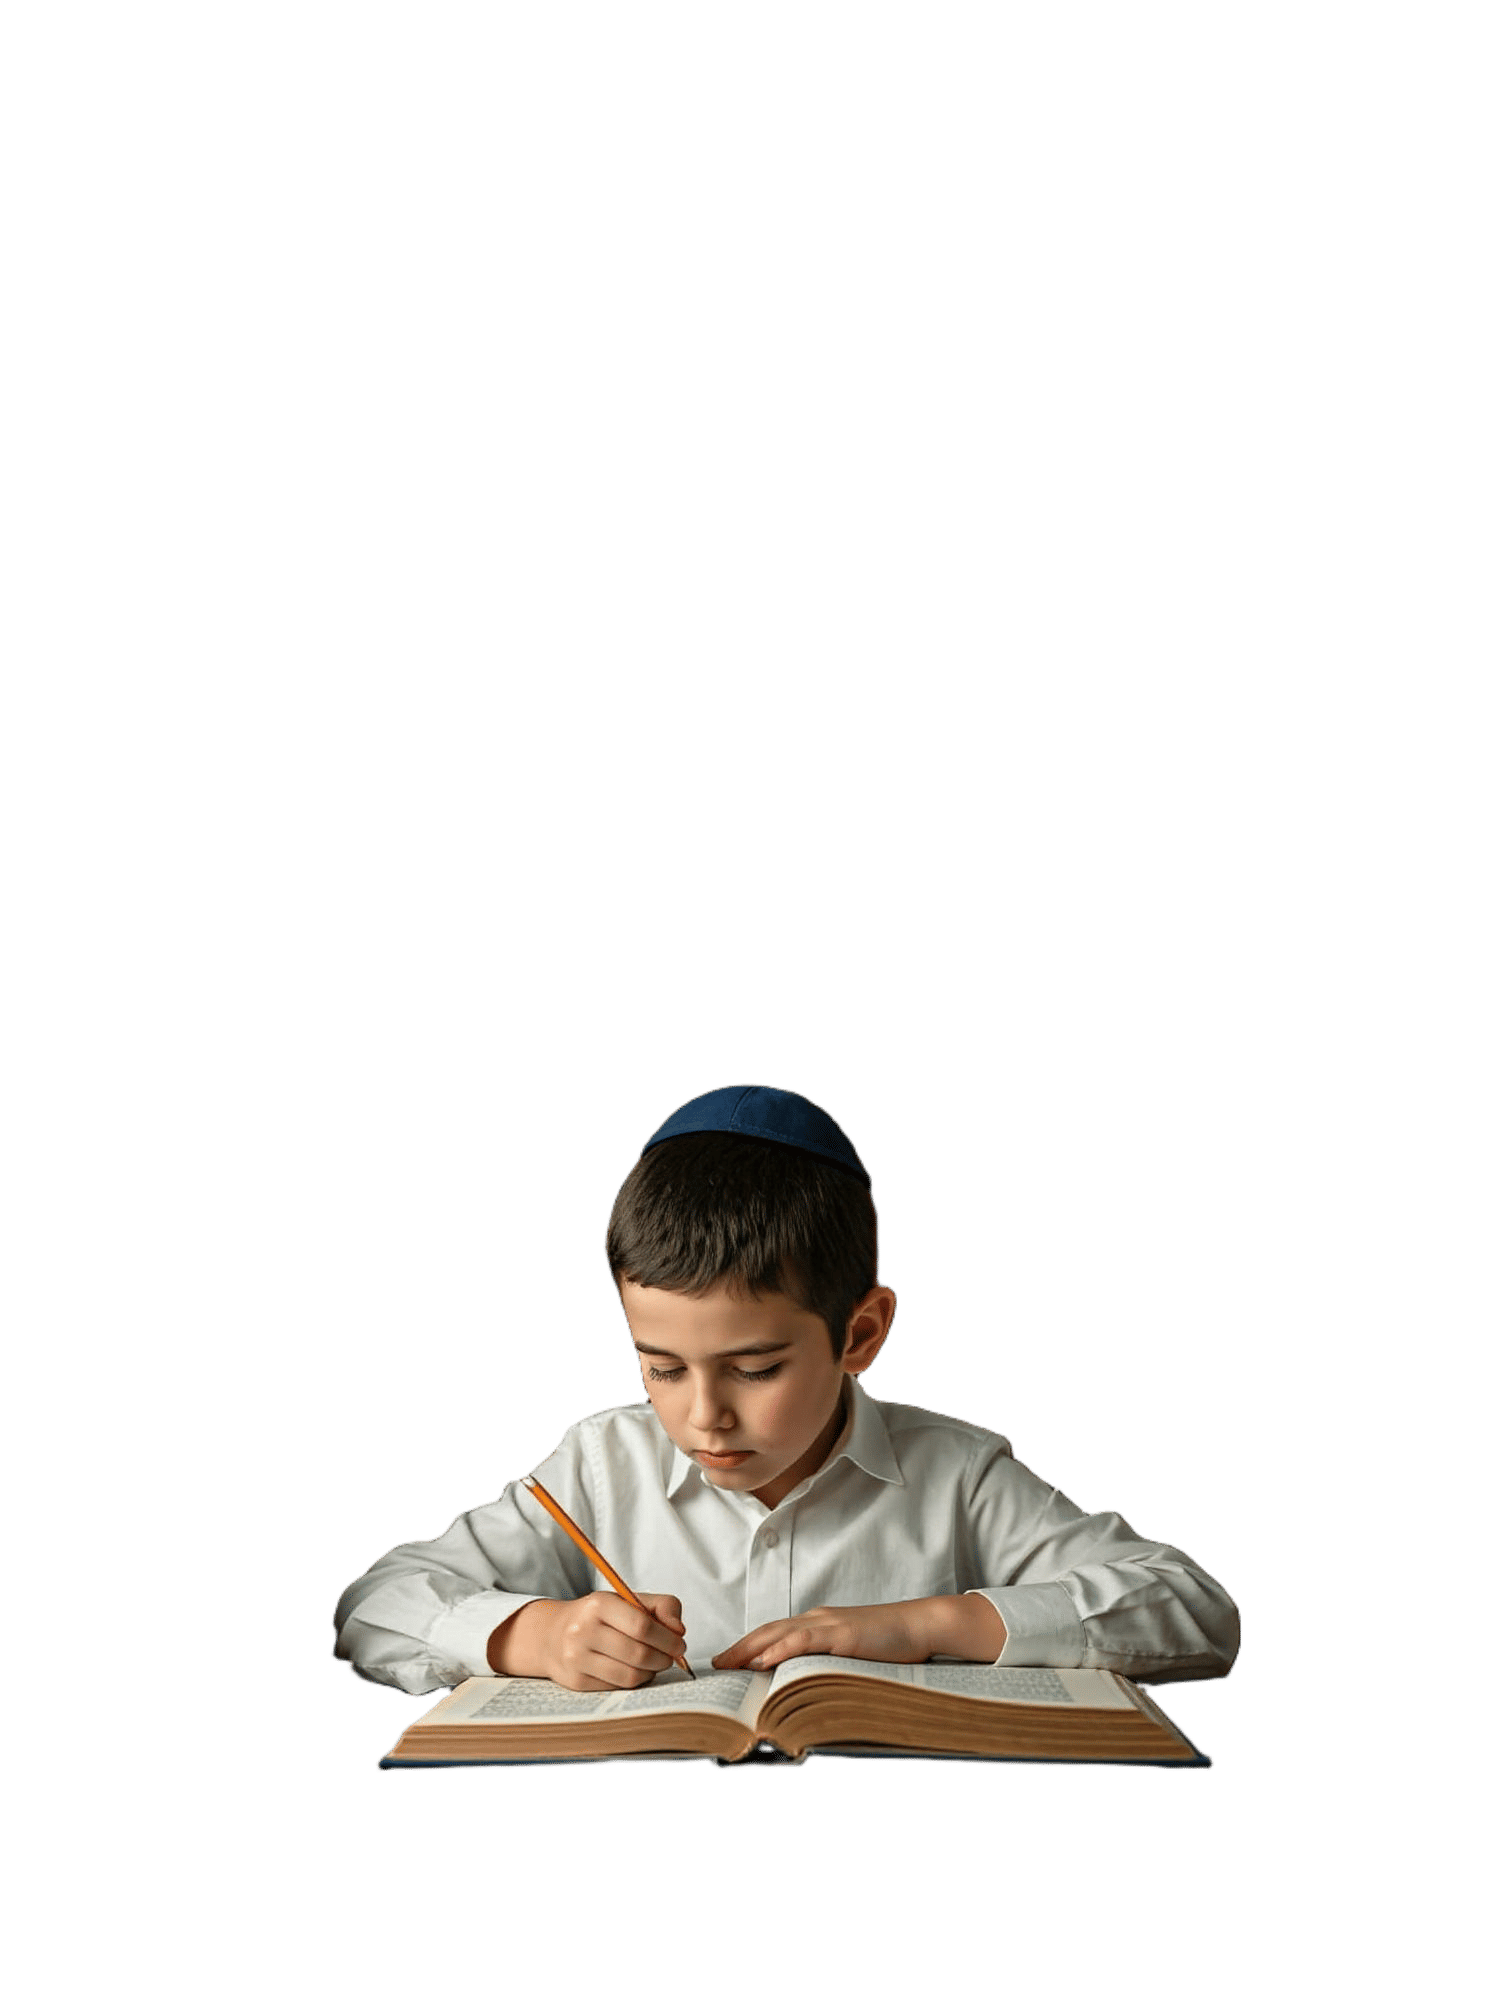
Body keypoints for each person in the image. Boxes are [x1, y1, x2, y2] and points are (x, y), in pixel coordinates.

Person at [333, 1084, 1240, 1698]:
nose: (702, 1415)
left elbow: (1195, 1609)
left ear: (862, 1333)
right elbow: (374, 1601)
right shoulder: (600, 1463)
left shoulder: (955, 1475)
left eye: (756, 1368)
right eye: (660, 1366)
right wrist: (528, 1637)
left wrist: (929, 1622)